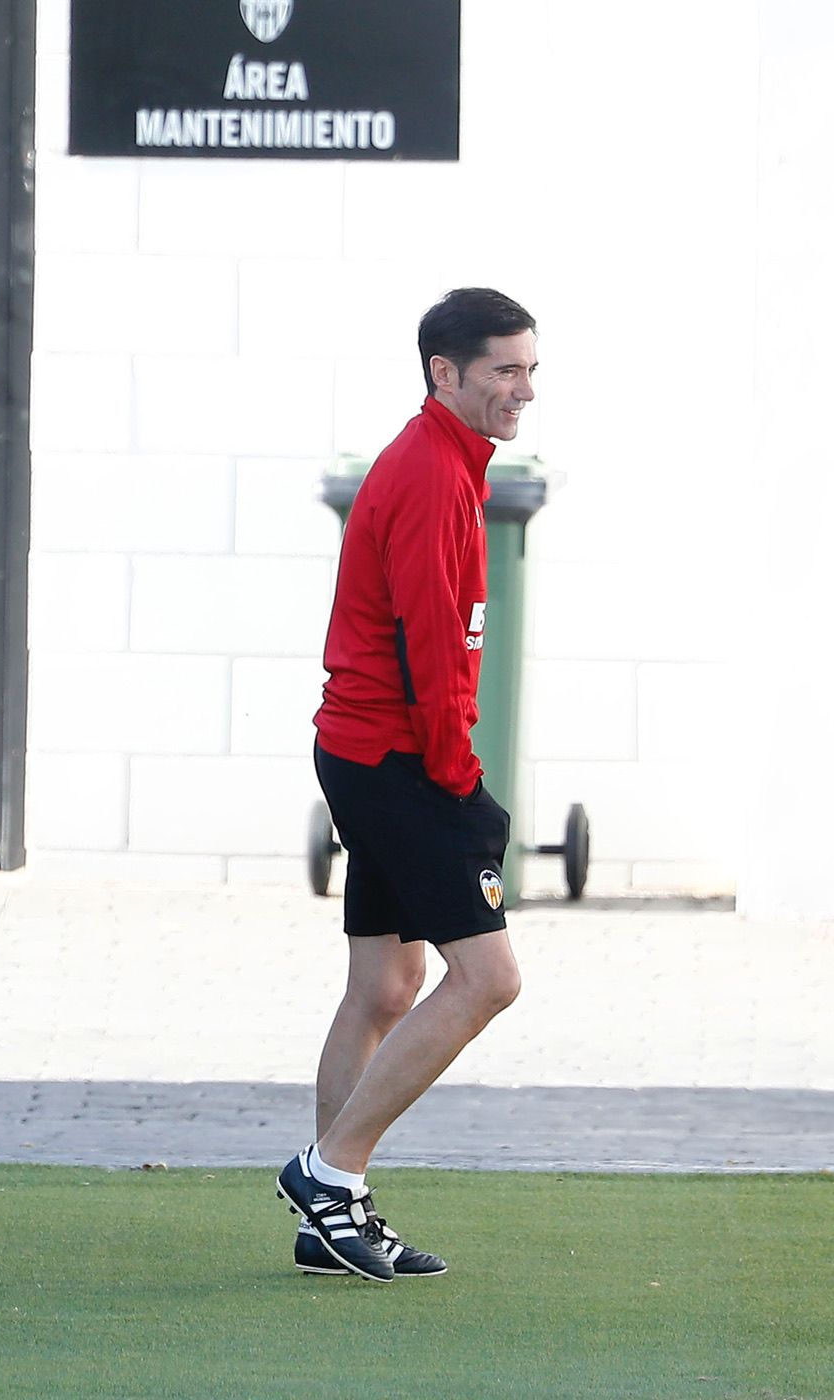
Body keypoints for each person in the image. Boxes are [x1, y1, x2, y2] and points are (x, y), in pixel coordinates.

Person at [277, 288, 538, 1284]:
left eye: (529, 370)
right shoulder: (431, 471)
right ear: (446, 373)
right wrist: (460, 780)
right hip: (394, 759)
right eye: (503, 371)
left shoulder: (453, 463)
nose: (522, 389)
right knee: (490, 978)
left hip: (374, 752)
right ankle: (330, 1172)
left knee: (387, 984)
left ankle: (328, 1216)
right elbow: (433, 644)